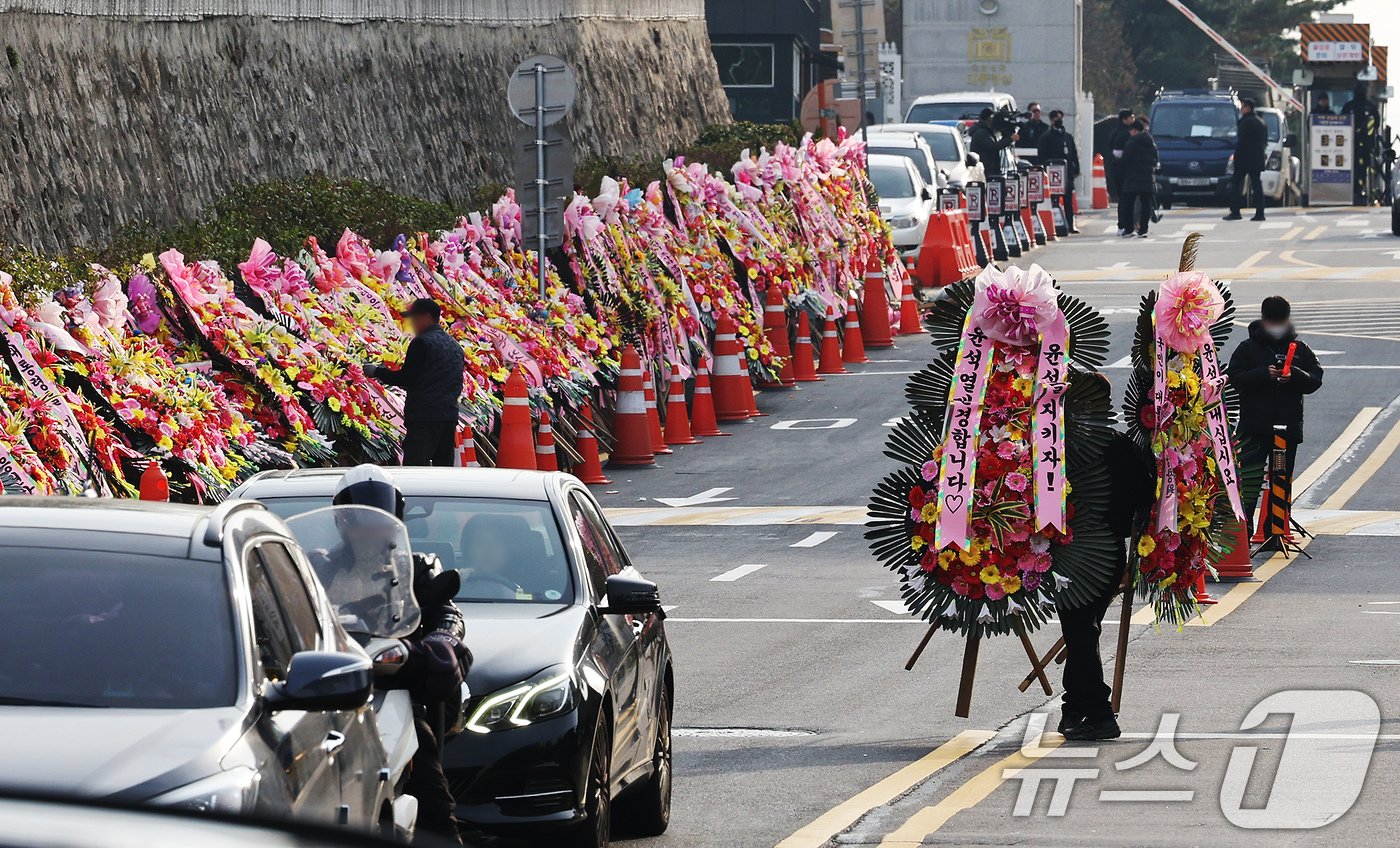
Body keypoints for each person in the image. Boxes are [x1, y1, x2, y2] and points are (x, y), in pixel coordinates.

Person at [331, 466, 470, 845]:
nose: (372, 531)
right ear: (343, 524)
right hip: (329, 694)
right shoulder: (319, 568)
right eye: (361, 522)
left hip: (393, 695)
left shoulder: (418, 568)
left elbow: (447, 614)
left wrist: (442, 641)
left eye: (382, 522)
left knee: (435, 802)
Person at [1059, 392, 1157, 742]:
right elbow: (1146, 496)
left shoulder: (1053, 445)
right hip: (1108, 552)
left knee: (1081, 633)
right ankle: (1073, 708)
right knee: (1082, 632)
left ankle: (1099, 713)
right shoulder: (1117, 444)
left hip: (1080, 553)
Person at [1227, 297, 1324, 533]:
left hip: (1286, 429)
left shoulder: (1299, 349)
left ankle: (1275, 529)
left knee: (1280, 478)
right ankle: (1244, 530)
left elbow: (1315, 379)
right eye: (1273, 321)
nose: (1277, 325)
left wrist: (1295, 376)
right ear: (1264, 319)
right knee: (1249, 479)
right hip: (1254, 429)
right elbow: (1235, 378)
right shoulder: (1247, 349)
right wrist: (1263, 374)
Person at [366, 298, 465, 466]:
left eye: (414, 318)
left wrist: (377, 372)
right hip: (448, 417)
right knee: (444, 470)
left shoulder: (422, 342)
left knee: (415, 468)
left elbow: (407, 378)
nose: (411, 324)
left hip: (424, 418)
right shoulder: (454, 346)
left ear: (426, 317)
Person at [1036, 108, 1081, 233]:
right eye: (1056, 118)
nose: (1059, 120)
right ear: (1051, 120)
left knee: (1068, 200)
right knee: (1053, 199)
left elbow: (1074, 154)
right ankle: (1054, 224)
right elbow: (1042, 156)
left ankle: (1070, 224)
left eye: (1060, 117)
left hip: (1067, 173)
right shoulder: (1046, 137)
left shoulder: (1068, 137)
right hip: (1052, 174)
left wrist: (1076, 168)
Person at [1224, 97, 1268, 222]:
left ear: (1247, 108)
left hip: (1244, 158)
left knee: (1236, 184)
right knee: (1257, 185)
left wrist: (1237, 157)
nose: (1241, 109)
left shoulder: (1245, 122)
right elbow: (1264, 142)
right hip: (1257, 158)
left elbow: (1241, 142)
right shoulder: (1260, 122)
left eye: (1242, 107)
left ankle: (1235, 211)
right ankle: (1260, 213)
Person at [1117, 120, 1158, 238]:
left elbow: (1126, 160)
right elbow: (1155, 160)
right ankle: (1143, 230)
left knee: (1128, 204)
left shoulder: (1132, 143)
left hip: (1132, 177)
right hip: (1147, 178)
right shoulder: (1151, 143)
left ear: (1134, 130)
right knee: (1146, 204)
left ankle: (1129, 229)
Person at [1341, 85, 1381, 203]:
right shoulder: (1371, 107)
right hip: (1365, 144)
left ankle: (1358, 190)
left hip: (1352, 144)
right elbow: (1376, 125)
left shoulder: (1349, 106)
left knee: (1357, 167)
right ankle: (1363, 189)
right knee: (1364, 167)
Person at [970, 107, 1018, 176]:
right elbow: (994, 147)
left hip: (990, 169)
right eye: (992, 118)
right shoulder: (981, 133)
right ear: (988, 119)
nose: (993, 121)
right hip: (985, 171)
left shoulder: (987, 131)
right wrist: (1010, 139)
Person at [1107, 109, 1135, 202]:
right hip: (1126, 169)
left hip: (1115, 167)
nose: (1133, 119)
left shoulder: (1114, 132)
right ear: (1125, 119)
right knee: (1127, 197)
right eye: (1131, 117)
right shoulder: (1127, 134)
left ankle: (1122, 215)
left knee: (1121, 196)